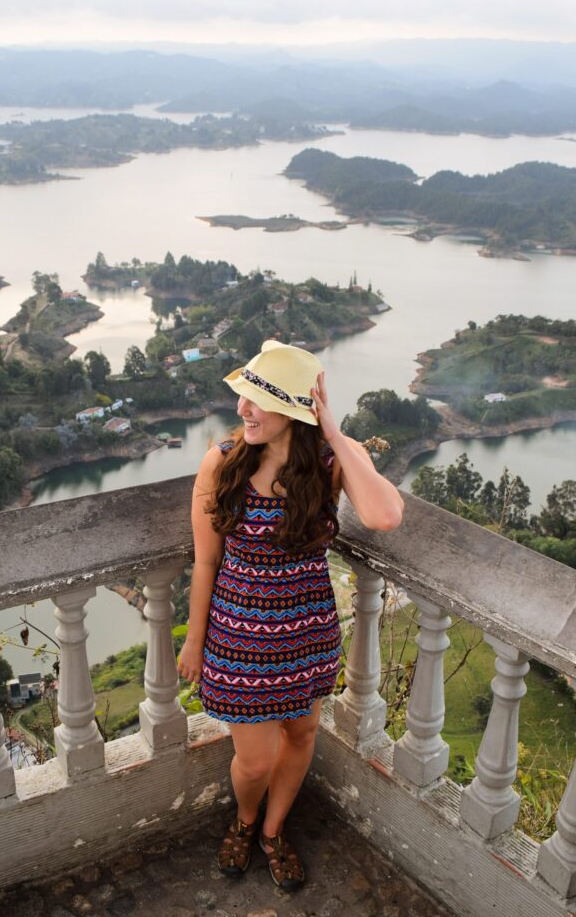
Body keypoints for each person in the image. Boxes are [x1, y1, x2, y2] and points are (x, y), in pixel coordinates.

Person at [176, 340, 403, 891]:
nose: (242, 410)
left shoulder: (329, 464)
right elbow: (206, 560)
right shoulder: (223, 462)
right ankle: (246, 819)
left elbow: (384, 514)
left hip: (308, 632)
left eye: (257, 400)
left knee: (302, 733)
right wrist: (194, 640)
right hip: (237, 639)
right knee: (252, 762)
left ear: (296, 409)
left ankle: (275, 831)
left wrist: (332, 431)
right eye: (243, 398)